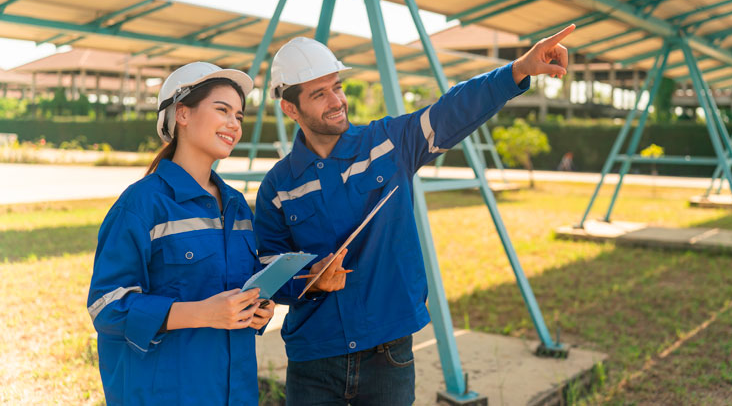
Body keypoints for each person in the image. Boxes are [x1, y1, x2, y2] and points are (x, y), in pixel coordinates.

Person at [254, 25, 574, 405]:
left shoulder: (389, 143)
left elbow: (453, 109)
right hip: (313, 360)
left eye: (337, 86)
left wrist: (518, 69)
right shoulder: (278, 186)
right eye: (319, 94)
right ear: (290, 108)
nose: (337, 100)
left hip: (387, 356)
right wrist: (311, 279)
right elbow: (267, 267)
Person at [87, 62, 276, 405]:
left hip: (236, 393)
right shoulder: (142, 204)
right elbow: (107, 307)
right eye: (222, 110)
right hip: (168, 393)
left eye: (239, 115)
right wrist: (202, 313)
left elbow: (234, 288)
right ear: (183, 115)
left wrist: (256, 309)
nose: (234, 123)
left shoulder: (235, 205)